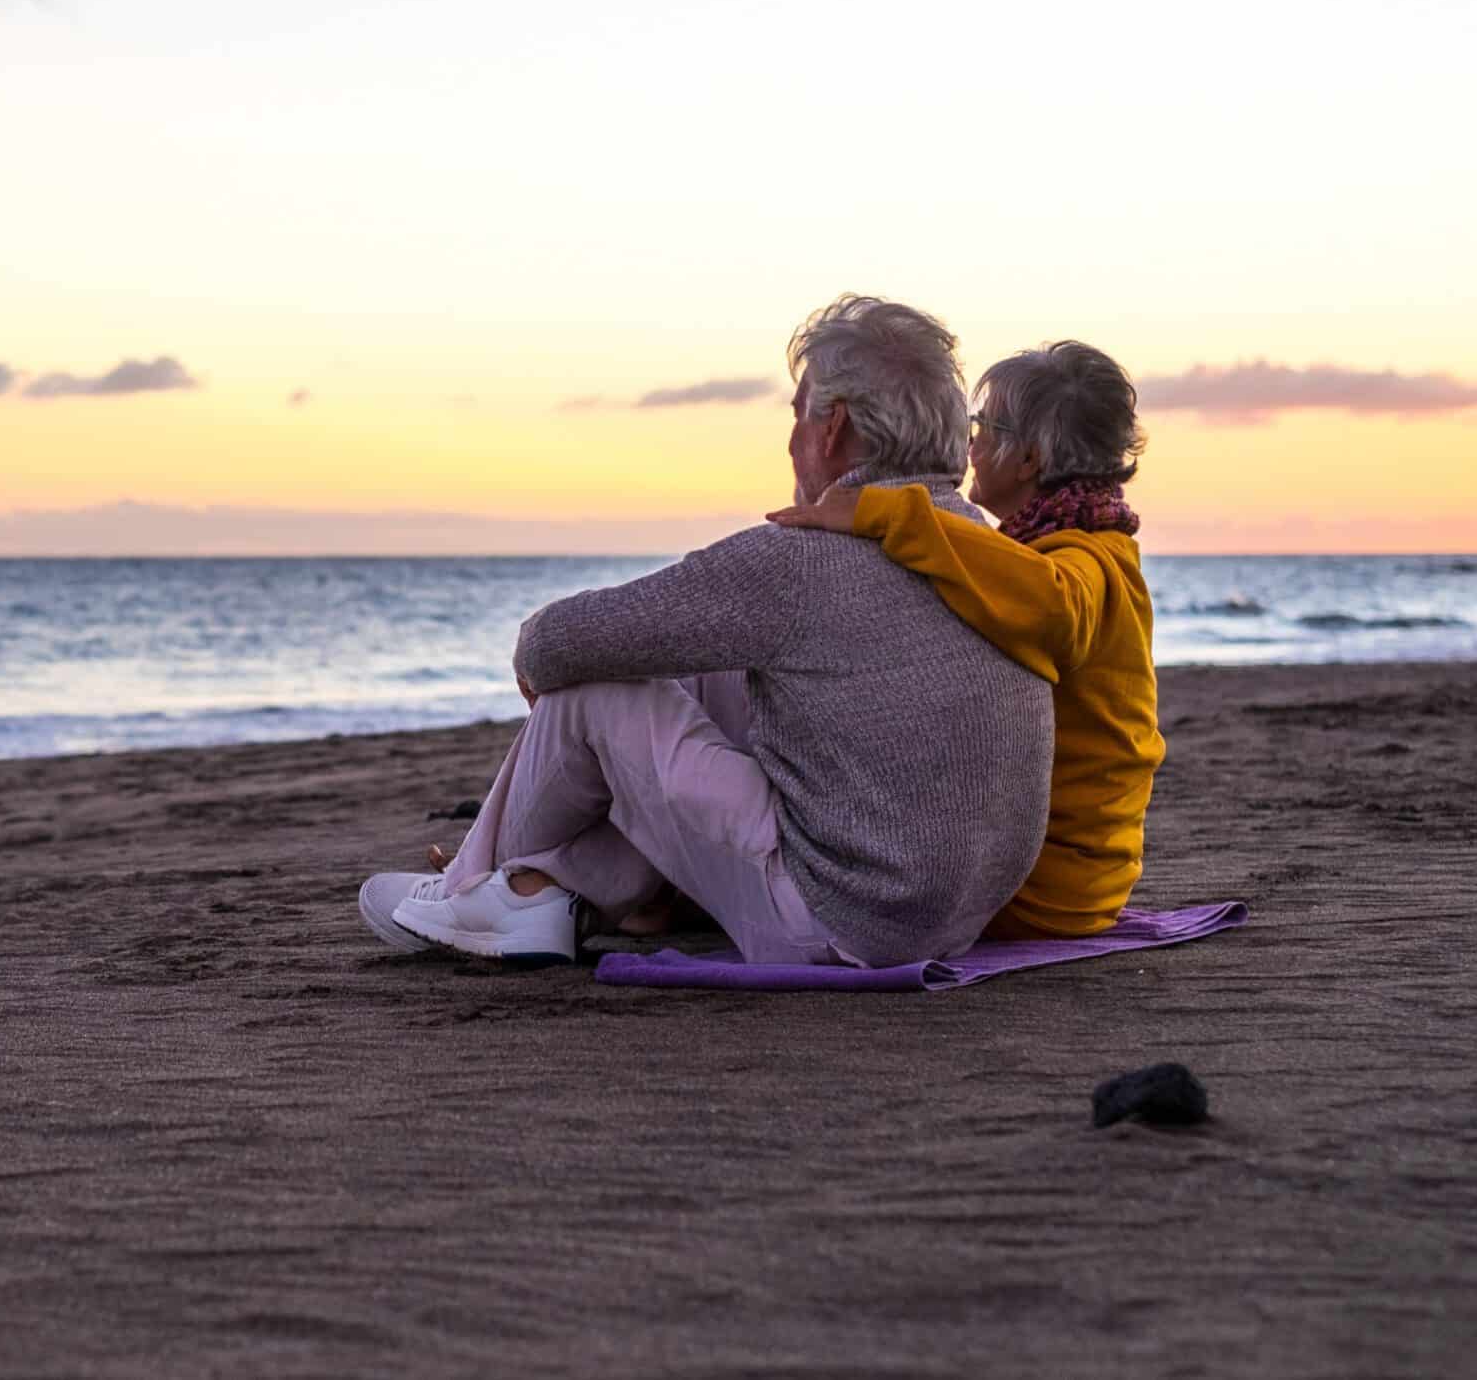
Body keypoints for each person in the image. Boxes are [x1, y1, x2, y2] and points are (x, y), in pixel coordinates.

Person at [358, 295, 1054, 970]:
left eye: (797, 414)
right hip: (953, 920)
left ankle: (477, 890)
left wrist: (546, 664)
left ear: (833, 427)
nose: (789, 439)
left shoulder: (802, 561)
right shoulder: (985, 554)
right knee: (709, 670)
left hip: (837, 920)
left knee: (594, 696)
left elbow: (554, 645)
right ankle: (544, 891)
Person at [765, 341, 1161, 939]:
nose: (970, 443)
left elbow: (1056, 607)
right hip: (1071, 885)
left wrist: (891, 515)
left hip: (1047, 891)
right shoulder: (1061, 548)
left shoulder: (1088, 561)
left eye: (985, 427)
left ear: (1027, 458)